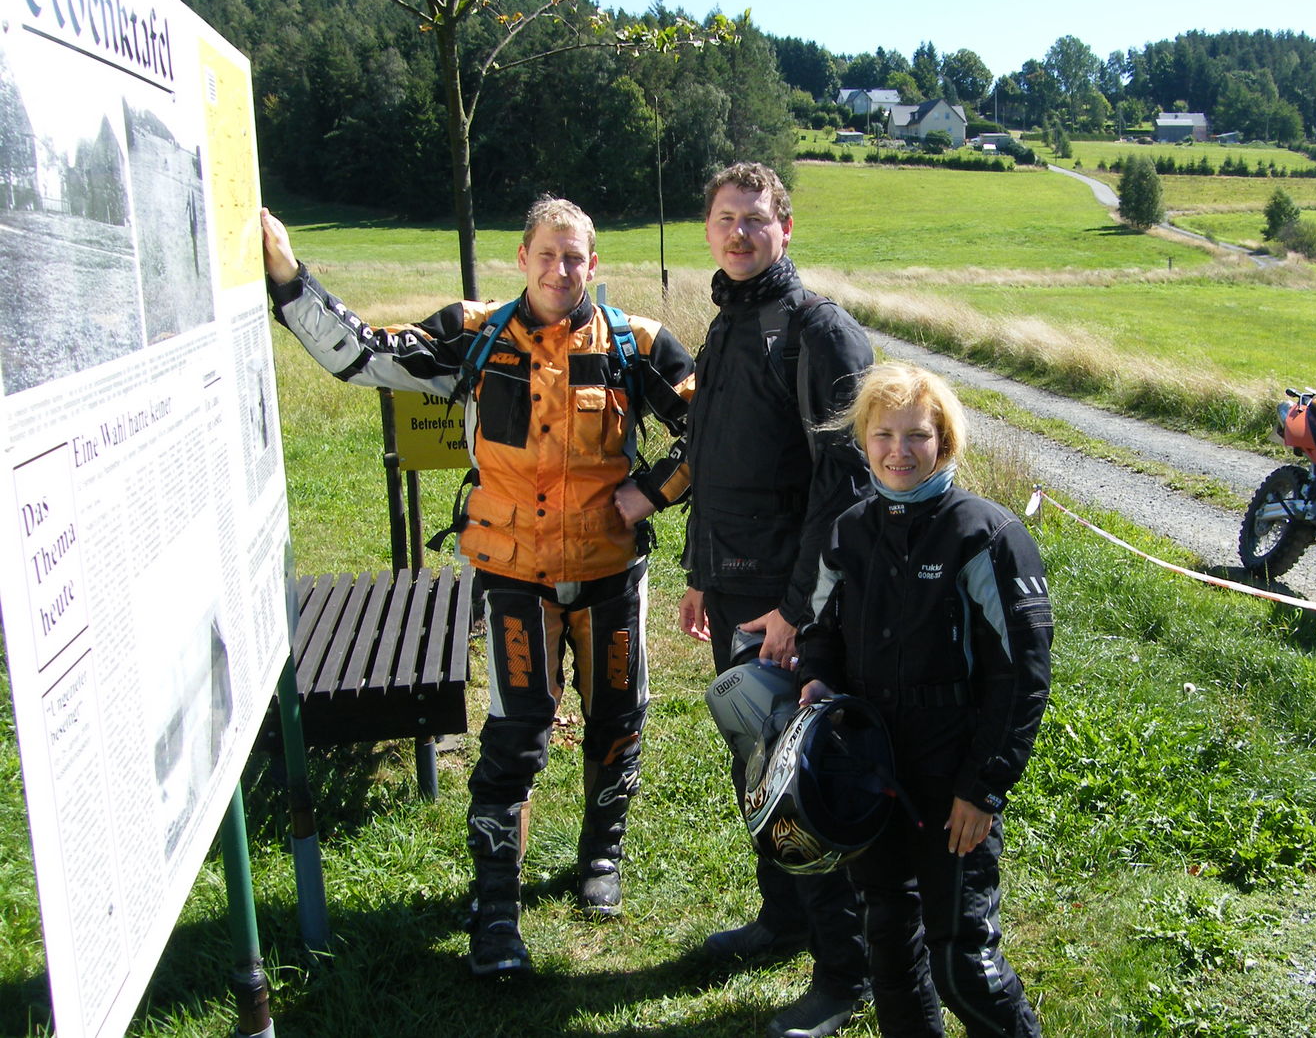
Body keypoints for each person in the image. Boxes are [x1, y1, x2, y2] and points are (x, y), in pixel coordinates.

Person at [260, 198, 695, 976]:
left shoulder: (637, 342)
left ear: (594, 263)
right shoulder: (475, 333)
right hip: (514, 575)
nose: (560, 269)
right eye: (547, 255)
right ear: (522, 258)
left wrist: (653, 490)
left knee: (617, 722)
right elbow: (364, 355)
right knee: (514, 734)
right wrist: (291, 280)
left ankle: (601, 856)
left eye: (575, 257)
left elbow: (715, 426)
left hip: (610, 572)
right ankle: (496, 905)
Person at [674, 162, 874, 1038]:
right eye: (726, 219)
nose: (740, 233)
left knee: (801, 777)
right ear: (709, 230)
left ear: (785, 228)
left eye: (756, 219)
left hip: (793, 607)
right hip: (732, 590)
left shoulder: (817, 331)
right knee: (755, 766)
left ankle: (845, 971)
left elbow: (848, 488)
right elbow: (715, 464)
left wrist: (797, 611)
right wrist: (698, 573)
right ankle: (784, 918)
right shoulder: (727, 323)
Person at [797, 363, 1053, 1038]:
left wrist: (982, 788)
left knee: (963, 962)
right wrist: (817, 682)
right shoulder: (848, 531)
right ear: (863, 439)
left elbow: (1022, 677)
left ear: (944, 440)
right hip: (872, 773)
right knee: (888, 940)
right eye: (884, 435)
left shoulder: (986, 535)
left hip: (954, 782)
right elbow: (819, 632)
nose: (899, 451)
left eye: (917, 435)